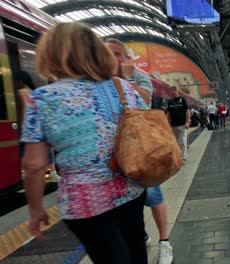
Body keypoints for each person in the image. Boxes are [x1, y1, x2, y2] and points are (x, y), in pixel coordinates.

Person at [21, 22, 147, 263]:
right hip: (130, 188)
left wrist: (36, 209)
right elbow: (145, 128)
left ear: (52, 54)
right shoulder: (123, 88)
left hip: (86, 202)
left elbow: (34, 165)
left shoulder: (42, 99)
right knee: (136, 251)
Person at [105, 38, 173, 264]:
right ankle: (140, 235)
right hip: (114, 154)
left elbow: (143, 102)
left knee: (154, 195)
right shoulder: (99, 78)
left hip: (141, 148)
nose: (113, 58)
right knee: (126, 203)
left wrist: (123, 77)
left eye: (117, 54)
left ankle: (165, 242)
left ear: (126, 57)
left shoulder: (139, 76)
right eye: (108, 54)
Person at [167, 87, 190, 161]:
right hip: (173, 124)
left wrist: (187, 122)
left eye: (174, 90)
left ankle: (183, 156)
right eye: (171, 91)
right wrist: (168, 123)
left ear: (177, 91)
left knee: (182, 140)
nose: (173, 92)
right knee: (176, 141)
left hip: (182, 124)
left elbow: (187, 111)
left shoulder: (182, 100)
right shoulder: (170, 101)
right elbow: (168, 113)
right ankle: (179, 155)